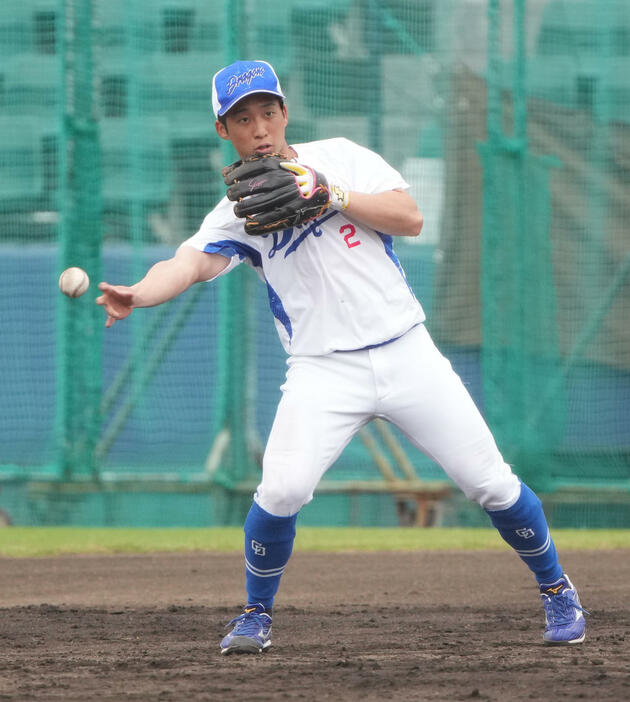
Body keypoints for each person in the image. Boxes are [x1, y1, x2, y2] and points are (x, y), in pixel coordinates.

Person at [96, 59, 588, 654]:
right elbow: (187, 263)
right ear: (223, 131)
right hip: (323, 371)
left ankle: (557, 589)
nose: (259, 127)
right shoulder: (237, 212)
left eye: (267, 112)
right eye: (242, 118)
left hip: (408, 354)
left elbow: (409, 217)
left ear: (285, 112)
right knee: (280, 491)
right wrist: (139, 294)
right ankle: (255, 614)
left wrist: (332, 193)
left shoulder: (342, 156)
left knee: (489, 482)